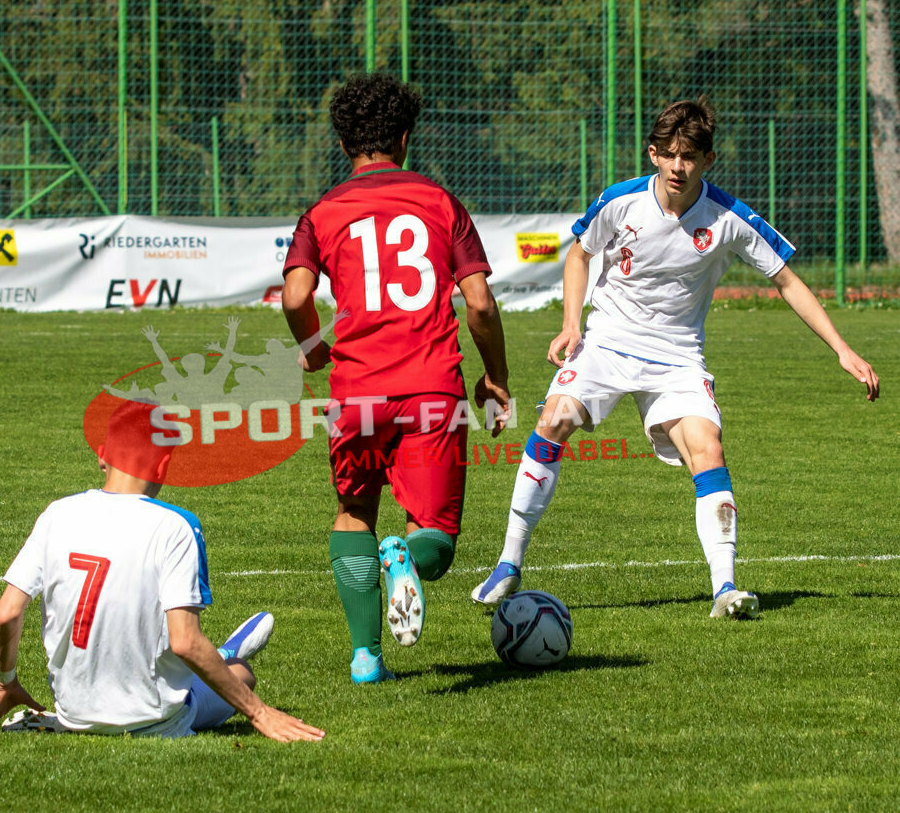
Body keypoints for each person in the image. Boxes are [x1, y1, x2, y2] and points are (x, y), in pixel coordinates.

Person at [472, 96, 880, 618]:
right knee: (554, 421)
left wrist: (842, 348)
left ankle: (725, 589)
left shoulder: (729, 217)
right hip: (607, 342)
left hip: (677, 358)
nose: (678, 166)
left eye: (689, 155)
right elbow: (579, 253)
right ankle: (508, 563)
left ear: (707, 160)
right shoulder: (621, 202)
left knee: (707, 446)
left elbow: (786, 280)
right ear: (653, 155)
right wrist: (572, 323)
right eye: (668, 154)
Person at [281, 72, 511, 683]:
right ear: (405, 137)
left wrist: (312, 346)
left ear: (344, 145)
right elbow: (481, 305)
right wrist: (496, 379)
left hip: (357, 390)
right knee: (432, 536)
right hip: (432, 386)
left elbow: (296, 292)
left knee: (354, 509)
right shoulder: (439, 203)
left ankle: (365, 657)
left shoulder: (322, 212)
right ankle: (404, 556)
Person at [0, 401, 325, 741]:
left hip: (74, 715)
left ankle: (225, 654)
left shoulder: (56, 514)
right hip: (156, 722)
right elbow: (184, 642)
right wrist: (261, 714)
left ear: (102, 456)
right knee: (243, 676)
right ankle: (228, 654)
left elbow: (7, 613)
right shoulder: (176, 525)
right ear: (163, 463)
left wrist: (5, 682)